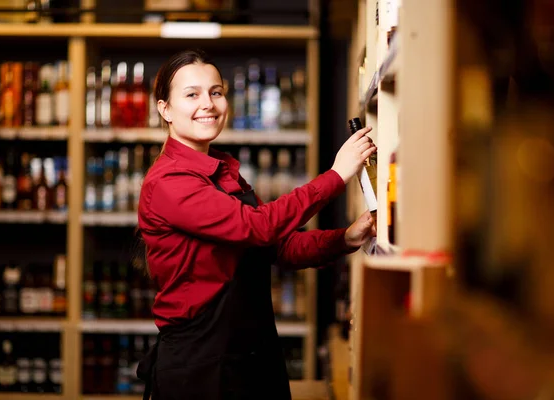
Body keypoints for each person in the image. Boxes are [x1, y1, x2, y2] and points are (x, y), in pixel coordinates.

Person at [135, 49, 377, 400]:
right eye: (192, 94)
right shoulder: (169, 182)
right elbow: (258, 227)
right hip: (202, 365)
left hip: (253, 352)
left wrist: (346, 238)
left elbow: (275, 246)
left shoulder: (222, 170)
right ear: (165, 109)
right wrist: (336, 176)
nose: (209, 104)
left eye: (216, 92)